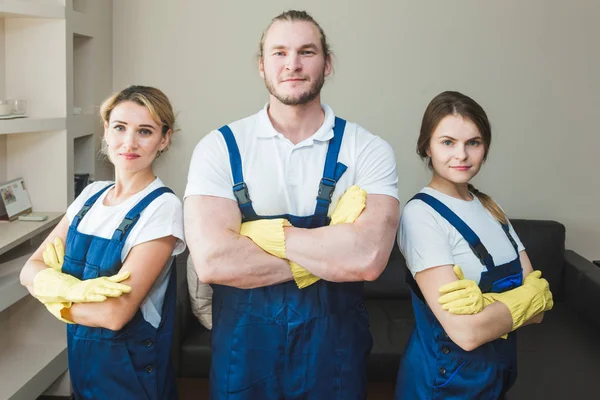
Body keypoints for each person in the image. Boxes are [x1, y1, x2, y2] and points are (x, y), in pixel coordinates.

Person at [184, 9, 399, 399]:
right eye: (279, 52)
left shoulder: (368, 149)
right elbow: (213, 261)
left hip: (335, 353)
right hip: (244, 357)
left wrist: (257, 237)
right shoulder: (219, 147)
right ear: (262, 66)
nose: (293, 64)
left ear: (328, 63)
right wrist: (333, 251)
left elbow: (367, 258)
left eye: (307, 51)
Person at [20, 85, 185, 400]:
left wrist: (55, 298)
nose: (129, 142)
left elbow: (114, 315)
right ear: (106, 131)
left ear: (164, 139)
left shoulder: (162, 208)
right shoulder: (90, 196)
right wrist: (70, 291)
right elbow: (29, 269)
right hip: (84, 366)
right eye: (120, 128)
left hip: (132, 376)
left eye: (145, 131)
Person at [395, 91, 553, 399]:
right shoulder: (420, 215)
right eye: (447, 142)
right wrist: (527, 296)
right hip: (444, 382)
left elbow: (541, 311)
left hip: (496, 374)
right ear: (427, 146)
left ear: (485, 148)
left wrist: (486, 306)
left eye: (473, 143)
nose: (462, 155)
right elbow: (466, 333)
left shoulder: (491, 208)